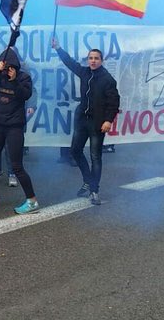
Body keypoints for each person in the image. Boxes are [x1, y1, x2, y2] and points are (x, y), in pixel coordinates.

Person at [51, 38, 120, 206]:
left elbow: (114, 102)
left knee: (95, 156)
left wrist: (108, 121)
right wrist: (58, 48)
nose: (93, 61)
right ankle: (88, 180)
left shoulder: (107, 79)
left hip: (97, 124)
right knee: (75, 151)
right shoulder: (84, 72)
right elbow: (69, 63)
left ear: (101, 61)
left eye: (96, 58)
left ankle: (94, 191)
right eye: (91, 58)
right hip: (82, 120)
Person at [0, 40, 39, 215]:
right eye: (5, 66)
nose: (7, 70)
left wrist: (14, 81)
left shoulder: (24, 77)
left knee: (17, 165)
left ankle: (32, 201)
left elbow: (26, 94)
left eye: (9, 66)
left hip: (14, 126)